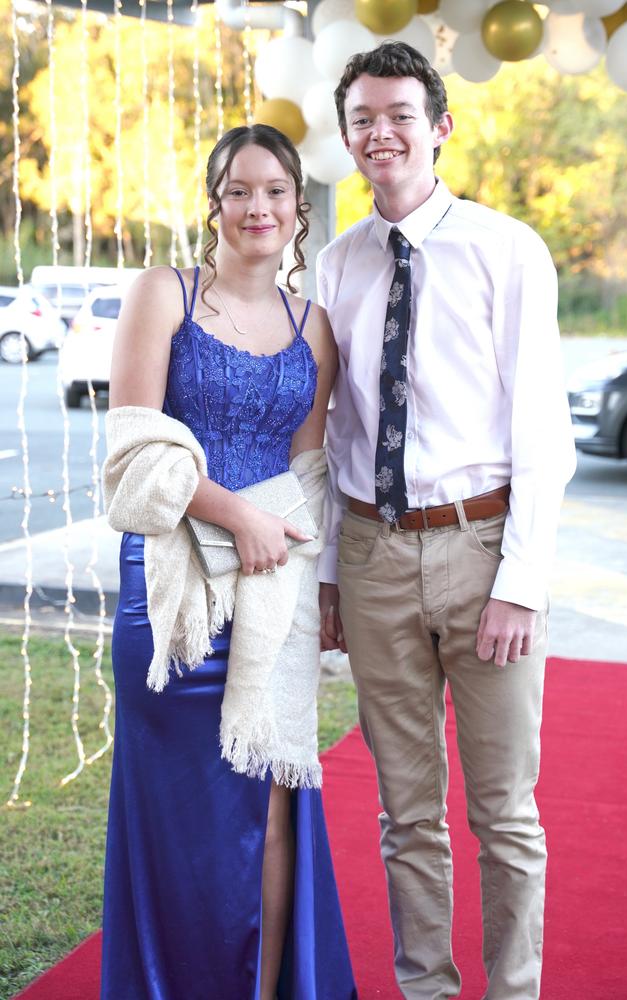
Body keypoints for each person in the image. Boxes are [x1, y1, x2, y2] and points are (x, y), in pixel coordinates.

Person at [317, 42, 576, 1000]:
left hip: (482, 550)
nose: (380, 132)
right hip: (374, 552)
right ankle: (425, 986)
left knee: (505, 811)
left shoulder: (508, 249)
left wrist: (520, 583)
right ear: (348, 137)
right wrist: (332, 579)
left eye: (398, 114)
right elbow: (337, 428)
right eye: (363, 119)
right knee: (405, 811)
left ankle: (513, 992)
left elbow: (542, 430)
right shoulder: (337, 264)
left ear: (440, 127)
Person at [100, 124, 356, 1000]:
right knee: (175, 817)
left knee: (273, 800)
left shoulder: (314, 327)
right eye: (240, 190)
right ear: (213, 202)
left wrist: (315, 581)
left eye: (277, 192)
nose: (259, 207)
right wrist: (231, 512)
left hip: (270, 588)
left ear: (298, 210)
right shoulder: (162, 296)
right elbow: (131, 448)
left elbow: (312, 473)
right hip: (170, 594)